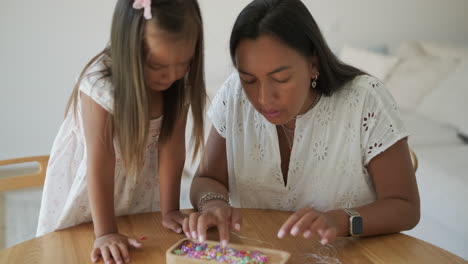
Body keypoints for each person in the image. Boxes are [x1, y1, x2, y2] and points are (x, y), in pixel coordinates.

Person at [186, 0, 419, 248]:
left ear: (313, 64)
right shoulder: (234, 94)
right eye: (249, 80)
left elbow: (405, 209)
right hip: (259, 254)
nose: (264, 98)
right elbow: (206, 180)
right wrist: (213, 204)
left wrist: (341, 221)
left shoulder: (365, 100)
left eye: (281, 78)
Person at [36, 0, 206, 262]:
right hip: (91, 193)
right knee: (78, 252)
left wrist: (170, 210)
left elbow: (171, 150)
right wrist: (104, 232)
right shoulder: (100, 87)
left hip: (135, 187)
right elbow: (100, 162)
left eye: (183, 62)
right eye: (157, 66)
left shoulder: (177, 86)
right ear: (129, 48)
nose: (171, 76)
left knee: (135, 248)